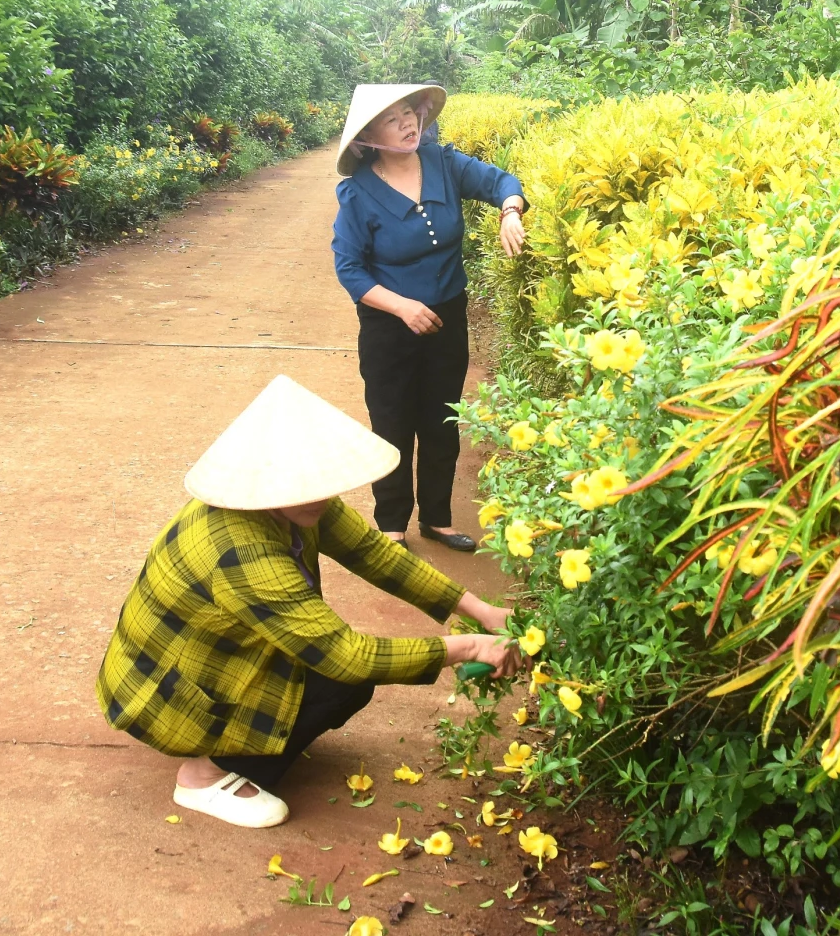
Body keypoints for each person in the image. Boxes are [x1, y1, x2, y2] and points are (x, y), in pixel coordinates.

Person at [95, 374, 521, 829]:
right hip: (168, 692)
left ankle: (251, 737)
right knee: (344, 679)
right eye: (309, 483)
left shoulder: (292, 498)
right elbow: (346, 656)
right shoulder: (242, 548)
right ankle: (204, 773)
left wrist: (481, 611)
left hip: (210, 660)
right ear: (266, 477)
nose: (322, 494)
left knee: (335, 681)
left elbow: (374, 554)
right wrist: (469, 648)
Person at [330, 83, 527, 550]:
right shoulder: (358, 194)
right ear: (368, 137)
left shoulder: (444, 163)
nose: (407, 123)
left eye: (409, 113)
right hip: (389, 328)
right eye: (391, 119)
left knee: (442, 419)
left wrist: (510, 211)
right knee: (392, 421)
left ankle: (437, 518)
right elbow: (349, 268)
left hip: (447, 318)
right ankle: (392, 526)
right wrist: (402, 306)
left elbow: (501, 181)